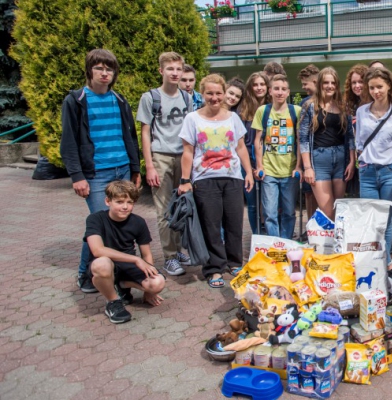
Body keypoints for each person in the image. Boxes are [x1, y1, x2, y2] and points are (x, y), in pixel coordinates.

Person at [60, 49, 141, 294]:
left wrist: (135, 169)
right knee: (100, 223)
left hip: (122, 168)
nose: (105, 73)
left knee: (119, 219)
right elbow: (69, 141)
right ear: (89, 71)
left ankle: (118, 271)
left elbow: (130, 136)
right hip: (95, 174)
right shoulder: (76, 100)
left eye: (109, 69)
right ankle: (86, 272)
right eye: (99, 68)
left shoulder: (120, 100)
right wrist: (77, 176)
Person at [178, 74, 254, 289]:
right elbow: (188, 152)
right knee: (210, 226)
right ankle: (214, 269)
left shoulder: (233, 117)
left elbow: (240, 147)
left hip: (232, 177)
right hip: (204, 179)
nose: (214, 97)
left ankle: (234, 262)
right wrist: (185, 180)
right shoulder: (192, 119)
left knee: (234, 223)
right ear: (203, 94)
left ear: (224, 94)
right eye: (210, 93)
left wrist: (248, 172)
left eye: (218, 93)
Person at [136, 51, 193, 277]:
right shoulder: (150, 97)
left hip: (183, 156)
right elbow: (145, 132)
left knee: (182, 205)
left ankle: (180, 250)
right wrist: (149, 165)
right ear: (161, 71)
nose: (175, 73)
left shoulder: (187, 98)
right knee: (163, 209)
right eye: (170, 69)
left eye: (178, 69)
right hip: (160, 155)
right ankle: (169, 256)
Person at [86, 180, 166, 324]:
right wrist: (136, 259)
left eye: (129, 202)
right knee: (101, 264)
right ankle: (113, 302)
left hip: (127, 266)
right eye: (119, 202)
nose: (125, 207)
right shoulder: (95, 219)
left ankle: (122, 285)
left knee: (158, 282)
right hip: (107, 264)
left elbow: (146, 254)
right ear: (107, 201)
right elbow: (97, 250)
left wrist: (149, 292)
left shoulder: (138, 222)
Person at [355, 67, 392, 269]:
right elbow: (359, 141)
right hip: (367, 171)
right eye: (372, 87)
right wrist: (363, 160)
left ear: (388, 87)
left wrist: (390, 160)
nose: (376, 91)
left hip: (389, 172)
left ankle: (385, 264)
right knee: (371, 219)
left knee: (386, 219)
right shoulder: (362, 112)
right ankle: (373, 261)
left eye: (380, 87)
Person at [300, 67, 356, 221]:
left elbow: (350, 136)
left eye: (333, 82)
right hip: (319, 160)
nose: (329, 86)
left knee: (338, 211)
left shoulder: (343, 106)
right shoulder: (309, 106)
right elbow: (303, 138)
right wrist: (307, 167)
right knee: (328, 212)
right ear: (319, 84)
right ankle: (324, 243)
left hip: (340, 159)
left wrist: (352, 161)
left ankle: (334, 245)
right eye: (326, 82)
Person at [253, 74, 302, 238]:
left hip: (289, 170)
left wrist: (298, 166)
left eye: (283, 89)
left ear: (288, 92)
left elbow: (300, 141)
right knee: (270, 212)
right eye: (276, 89)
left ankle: (286, 241)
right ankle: (274, 243)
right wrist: (260, 165)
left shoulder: (296, 111)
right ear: (270, 91)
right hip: (269, 171)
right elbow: (258, 140)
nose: (280, 92)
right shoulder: (263, 111)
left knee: (289, 211)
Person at [238, 72, 270, 234]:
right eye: (255, 85)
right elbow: (240, 141)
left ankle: (271, 234)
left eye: (262, 84)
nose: (259, 88)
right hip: (247, 159)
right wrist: (250, 167)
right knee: (252, 202)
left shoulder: (274, 106)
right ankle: (257, 235)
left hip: (271, 158)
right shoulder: (243, 109)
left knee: (270, 202)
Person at [343, 64, 370, 200]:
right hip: (353, 160)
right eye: (354, 82)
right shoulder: (348, 105)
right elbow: (349, 136)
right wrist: (352, 161)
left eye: (361, 82)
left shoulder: (373, 104)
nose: (357, 85)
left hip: (370, 160)